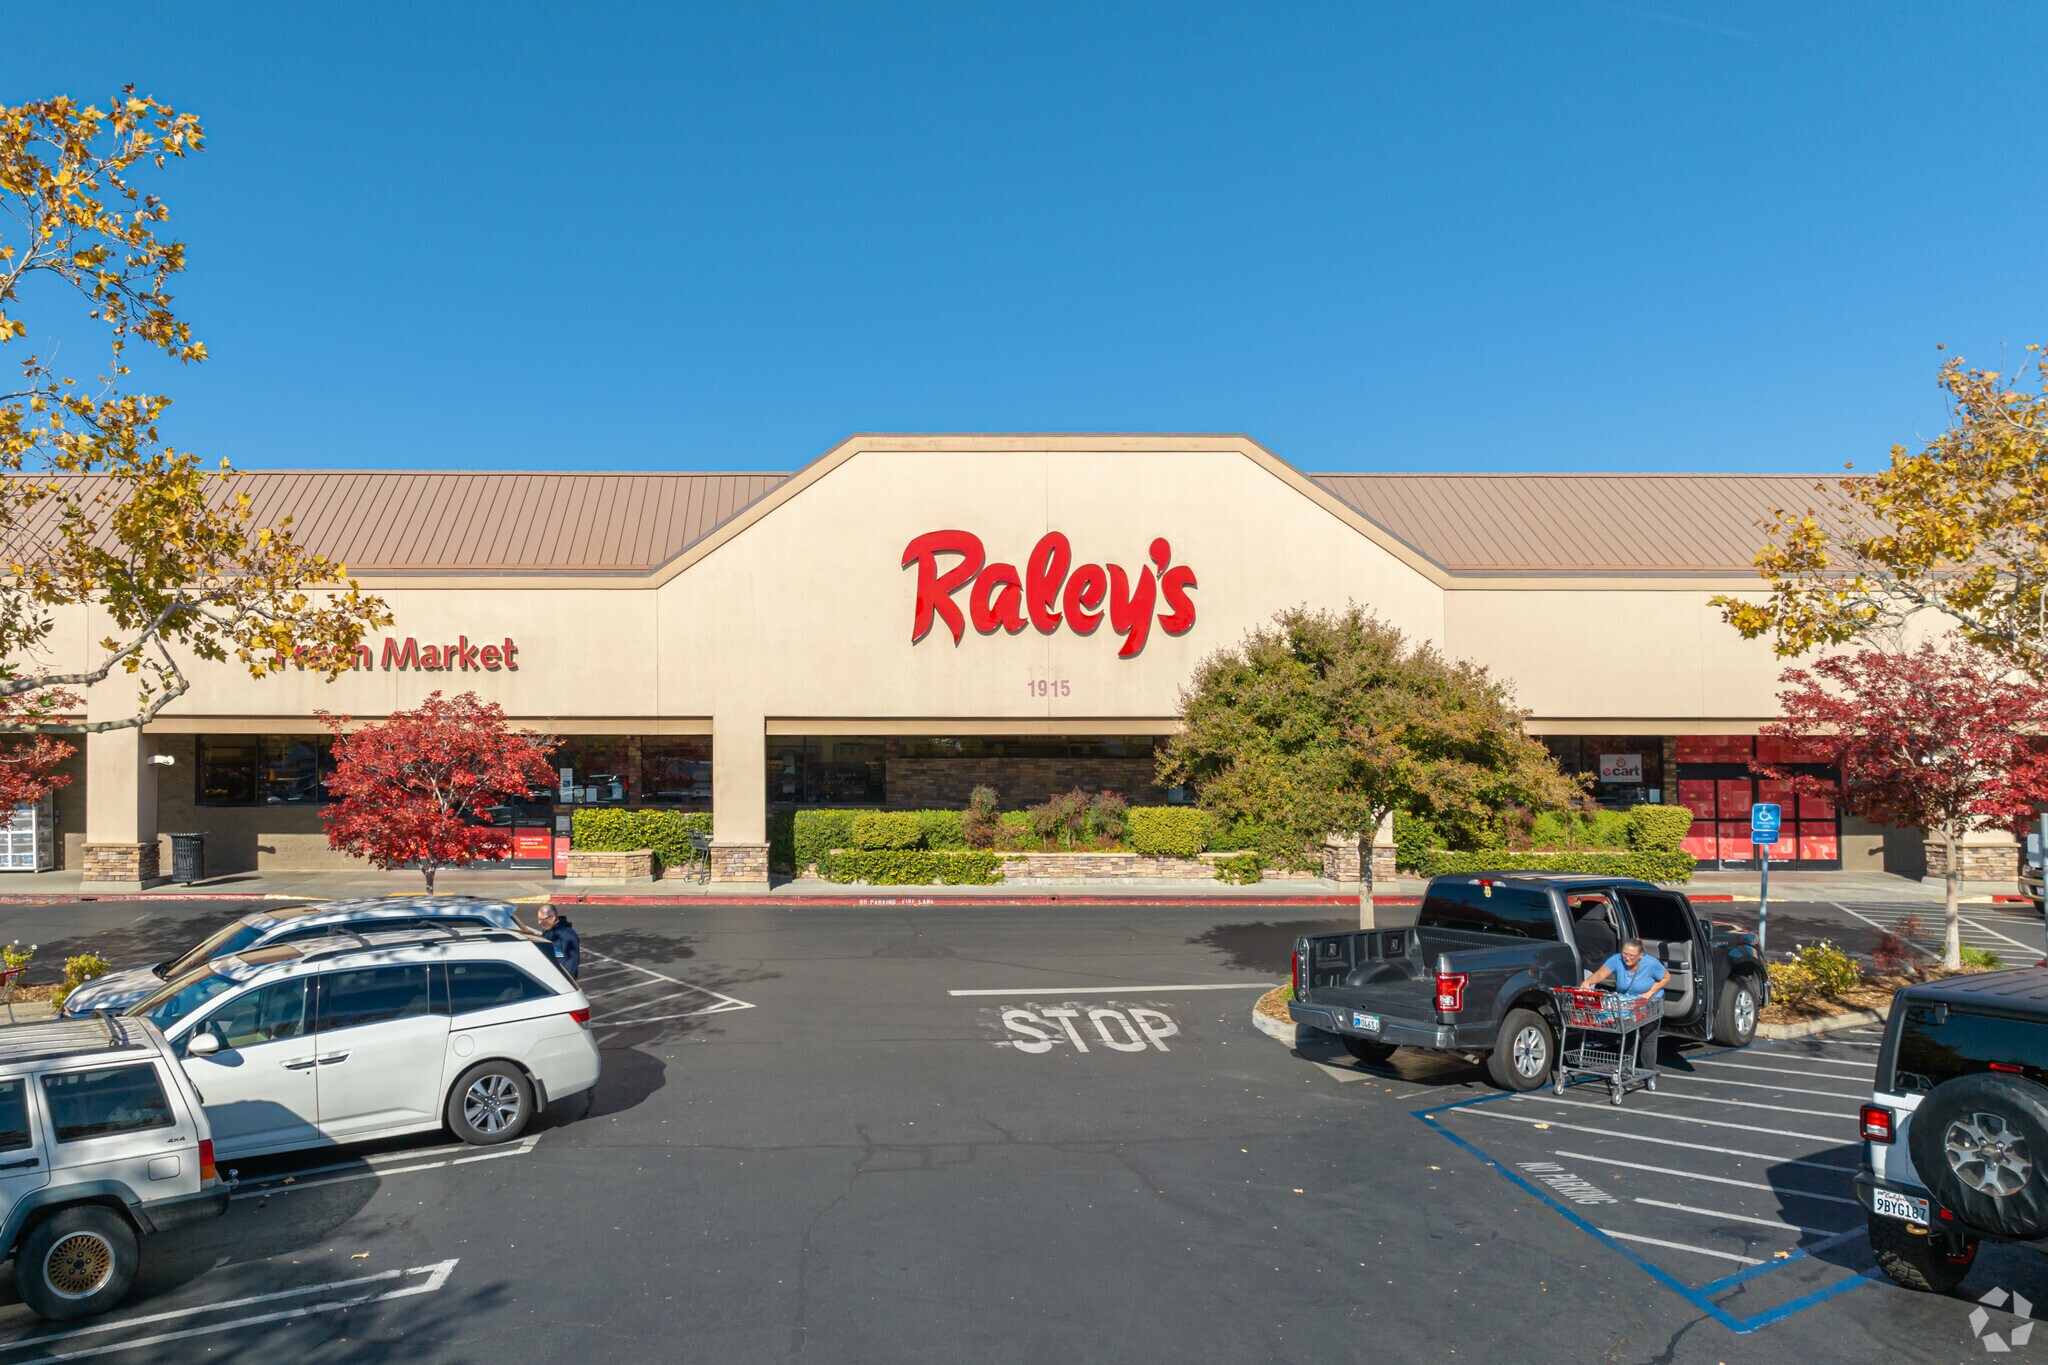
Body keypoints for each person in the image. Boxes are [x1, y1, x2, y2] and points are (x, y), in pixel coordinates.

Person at [1579, 936, 1668, 1065]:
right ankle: (1626, 1068)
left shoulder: (1651, 963)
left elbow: (1666, 977)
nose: (1627, 958)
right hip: (1628, 1002)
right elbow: (1600, 974)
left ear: (1640, 955)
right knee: (1628, 1033)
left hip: (1650, 1001)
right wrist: (1587, 982)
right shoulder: (1617, 960)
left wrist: (1649, 993)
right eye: (1625, 954)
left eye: (1631, 955)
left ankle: (1648, 1072)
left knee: (1647, 1037)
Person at [535, 904, 581, 980]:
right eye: (538, 919)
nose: (539, 923)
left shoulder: (568, 936)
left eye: (542, 920)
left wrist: (563, 981)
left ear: (553, 917)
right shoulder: (547, 931)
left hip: (561, 982)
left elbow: (572, 963)